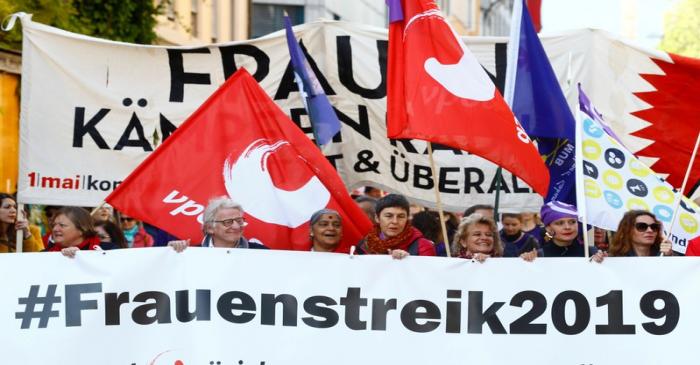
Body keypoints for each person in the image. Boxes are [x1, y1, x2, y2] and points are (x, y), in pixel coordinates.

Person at [169, 197, 268, 251]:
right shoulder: (191, 254)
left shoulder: (261, 252)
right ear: (209, 228)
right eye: (228, 222)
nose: (236, 226)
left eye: (239, 221)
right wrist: (171, 252)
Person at [356, 194, 436, 258]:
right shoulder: (365, 244)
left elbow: (427, 276)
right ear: (377, 218)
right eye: (389, 216)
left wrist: (409, 261)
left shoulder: (423, 247)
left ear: (407, 219)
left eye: (401, 216)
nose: (395, 221)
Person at [608, 210, 672, 257]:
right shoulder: (614, 258)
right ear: (628, 230)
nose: (650, 230)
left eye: (654, 227)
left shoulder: (664, 255)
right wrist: (600, 260)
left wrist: (668, 257)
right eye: (642, 226)